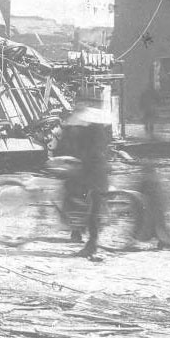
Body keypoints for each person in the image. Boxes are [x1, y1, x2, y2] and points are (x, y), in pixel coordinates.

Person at [55, 99, 110, 259]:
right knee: (85, 203)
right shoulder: (97, 130)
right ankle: (79, 231)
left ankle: (90, 243)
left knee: (90, 207)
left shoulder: (89, 132)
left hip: (93, 175)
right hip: (95, 173)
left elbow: (88, 154)